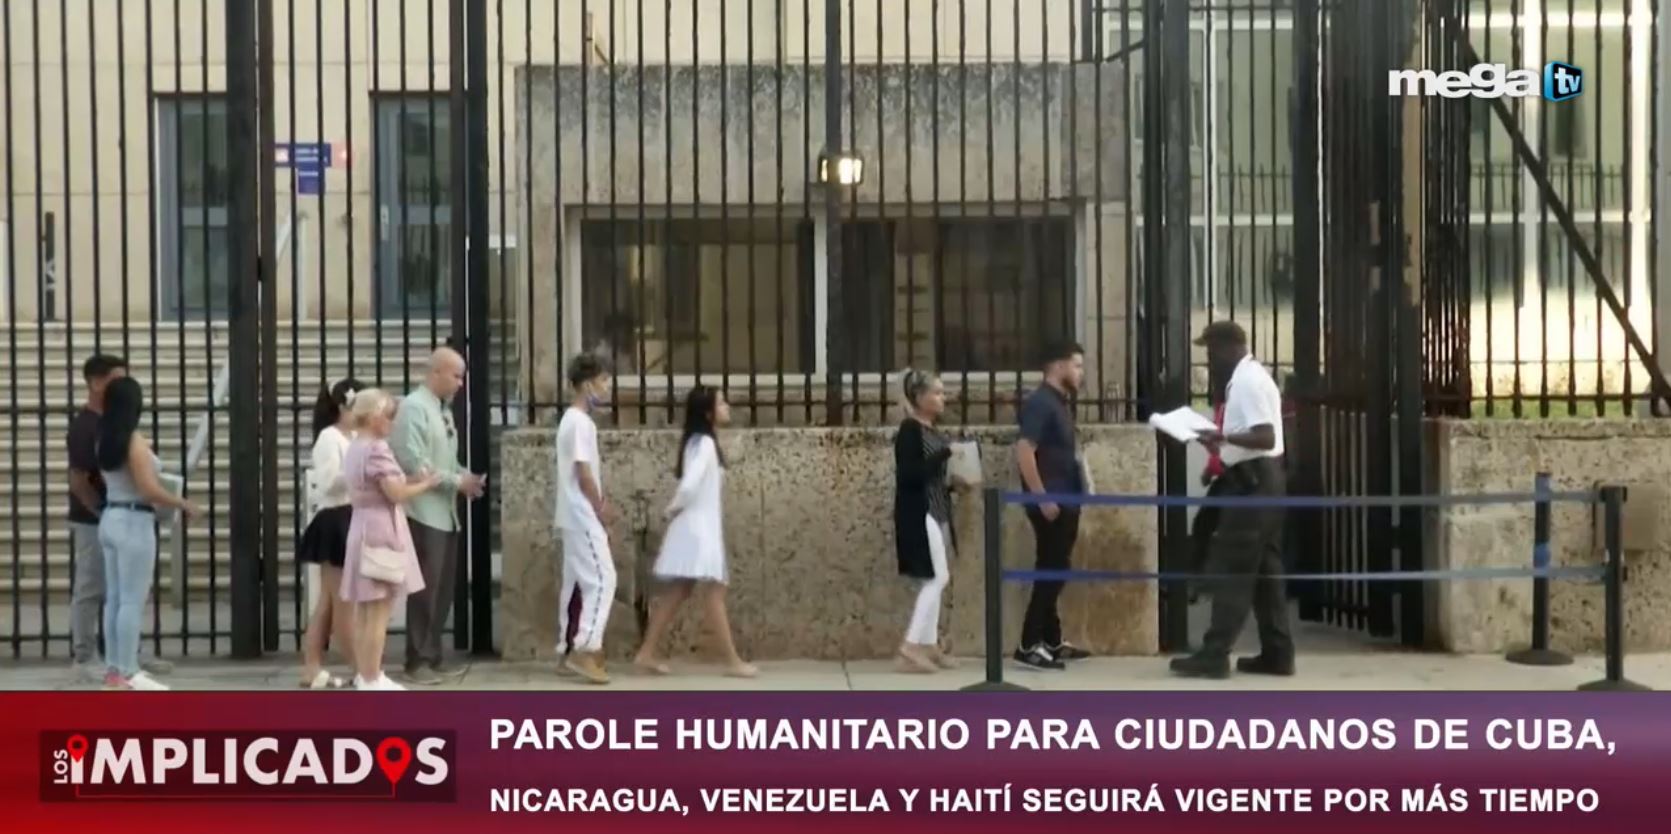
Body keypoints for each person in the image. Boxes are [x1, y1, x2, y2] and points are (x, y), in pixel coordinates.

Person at [1171, 321, 1295, 679]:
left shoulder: (1247, 382)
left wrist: (1222, 437)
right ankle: (1277, 652)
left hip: (1253, 485)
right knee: (1266, 573)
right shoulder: (1250, 378)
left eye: (1211, 352)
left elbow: (1264, 437)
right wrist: (1220, 450)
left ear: (1227, 348)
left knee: (1233, 569)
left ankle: (1214, 654)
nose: (1210, 361)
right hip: (1264, 480)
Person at [632, 385, 757, 679]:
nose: (726, 406)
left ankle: (646, 652)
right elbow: (689, 486)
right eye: (721, 403)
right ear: (708, 412)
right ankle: (732, 661)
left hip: (695, 528)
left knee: (680, 590)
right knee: (715, 592)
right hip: (700, 530)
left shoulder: (695, 442)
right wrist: (672, 509)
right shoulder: (705, 445)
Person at [67, 354, 172, 681]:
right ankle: (89, 655)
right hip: (101, 516)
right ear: (96, 383)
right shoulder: (88, 427)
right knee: (97, 589)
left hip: (113, 515)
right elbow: (78, 480)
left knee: (117, 594)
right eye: (117, 379)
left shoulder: (111, 428)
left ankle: (122, 657)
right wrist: (103, 510)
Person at [94, 377, 201, 691]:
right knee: (132, 600)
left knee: (114, 599)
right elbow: (148, 488)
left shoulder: (104, 439)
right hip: (134, 520)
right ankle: (129, 669)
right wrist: (182, 503)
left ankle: (114, 670)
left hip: (111, 515)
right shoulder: (133, 441)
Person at [390, 347, 487, 686]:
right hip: (423, 512)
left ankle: (433, 655)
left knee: (442, 589)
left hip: (444, 512)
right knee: (424, 590)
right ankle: (416, 660)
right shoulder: (414, 408)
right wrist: (456, 482)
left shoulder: (441, 410)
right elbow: (413, 463)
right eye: (455, 376)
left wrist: (464, 475)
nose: (460, 383)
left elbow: (444, 459)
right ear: (436, 373)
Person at [341, 389, 442, 691]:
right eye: (388, 416)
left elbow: (381, 483)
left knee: (365, 611)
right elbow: (394, 493)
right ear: (374, 417)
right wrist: (426, 484)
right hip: (381, 529)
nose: (392, 422)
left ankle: (366, 674)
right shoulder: (376, 449)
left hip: (362, 525)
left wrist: (410, 480)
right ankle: (372, 677)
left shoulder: (356, 446)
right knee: (378, 612)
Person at [1013, 341, 1092, 671]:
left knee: (1054, 567)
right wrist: (1041, 496)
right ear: (1058, 366)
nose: (1081, 372)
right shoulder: (1041, 403)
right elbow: (1024, 450)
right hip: (1052, 501)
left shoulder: (1058, 403)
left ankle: (1051, 640)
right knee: (1052, 570)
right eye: (1076, 365)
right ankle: (1029, 643)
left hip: (1066, 497)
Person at [295, 378, 365, 689]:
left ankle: (312, 667)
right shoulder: (329, 437)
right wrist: (360, 471)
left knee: (327, 600)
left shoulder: (356, 437)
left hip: (352, 515)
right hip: (336, 518)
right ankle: (362, 670)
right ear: (342, 407)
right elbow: (327, 482)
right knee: (342, 601)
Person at [892, 369, 960, 673]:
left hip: (937, 509)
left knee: (935, 578)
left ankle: (929, 644)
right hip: (920, 513)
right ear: (919, 398)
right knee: (937, 578)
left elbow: (932, 475)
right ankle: (910, 646)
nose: (942, 398)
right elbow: (909, 474)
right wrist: (945, 454)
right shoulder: (910, 430)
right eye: (936, 393)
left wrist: (954, 479)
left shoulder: (932, 431)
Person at [555, 353, 616, 684]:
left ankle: (567, 648)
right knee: (603, 580)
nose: (607, 387)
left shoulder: (571, 421)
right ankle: (586, 647)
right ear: (587, 383)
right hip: (581, 513)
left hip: (572, 513)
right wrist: (600, 506)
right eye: (603, 380)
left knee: (577, 582)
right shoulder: (580, 423)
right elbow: (583, 472)